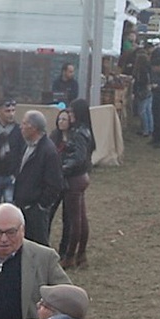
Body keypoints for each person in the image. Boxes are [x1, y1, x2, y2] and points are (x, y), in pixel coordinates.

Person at [11, 109, 65, 246]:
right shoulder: (27, 146)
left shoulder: (48, 151)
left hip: (35, 212)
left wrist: (41, 206)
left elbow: (55, 184)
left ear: (33, 128)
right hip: (22, 208)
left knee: (38, 248)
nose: (20, 127)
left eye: (24, 123)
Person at [56, 99, 95, 268]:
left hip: (74, 179)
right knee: (81, 218)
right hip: (81, 177)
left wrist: (62, 169)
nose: (69, 116)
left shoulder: (78, 133)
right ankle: (81, 255)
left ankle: (70, 255)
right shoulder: (85, 130)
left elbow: (78, 158)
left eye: (71, 113)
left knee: (74, 220)